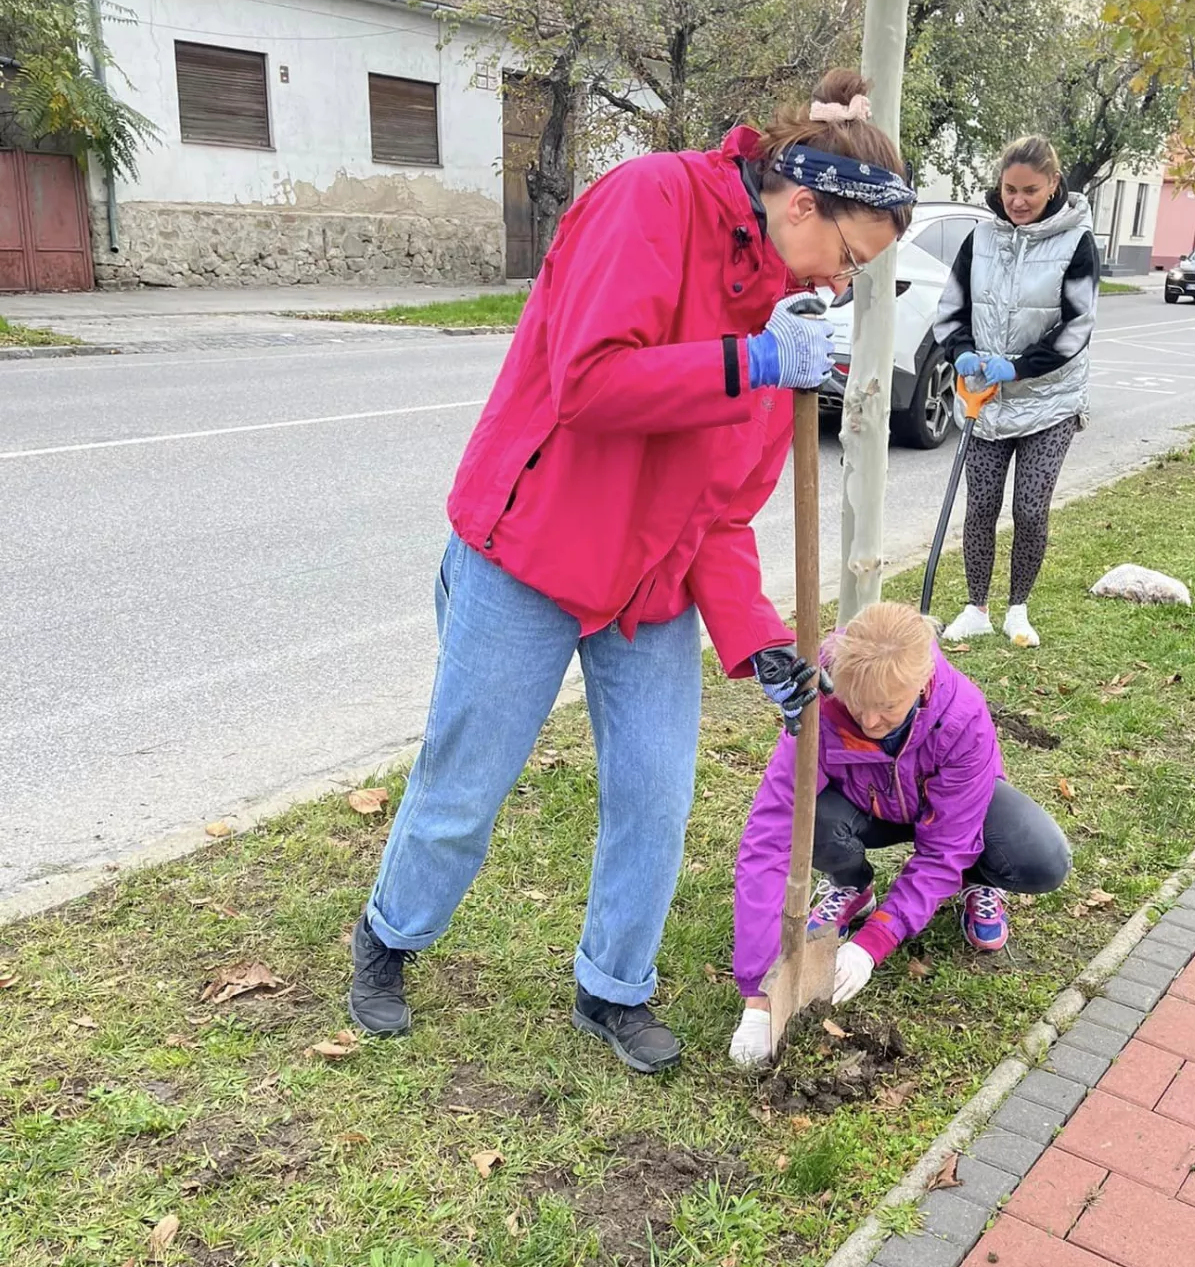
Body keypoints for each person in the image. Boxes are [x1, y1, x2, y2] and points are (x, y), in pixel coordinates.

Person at [346, 70, 916, 1075]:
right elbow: (592, 382)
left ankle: (612, 987)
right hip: (531, 552)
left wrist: (763, 645)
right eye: (848, 259)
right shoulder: (653, 201)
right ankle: (389, 936)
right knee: (466, 781)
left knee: (655, 792)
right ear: (799, 204)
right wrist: (747, 363)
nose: (840, 287)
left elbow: (718, 512)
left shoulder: (781, 314)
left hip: (646, 584)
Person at [729, 601, 1071, 1068]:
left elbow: (942, 850)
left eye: (887, 708)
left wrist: (872, 946)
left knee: (1040, 856)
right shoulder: (819, 702)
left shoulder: (961, 715)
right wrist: (756, 990)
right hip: (867, 807)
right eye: (859, 706)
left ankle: (979, 878)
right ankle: (852, 886)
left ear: (921, 681)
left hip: (947, 814)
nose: (869, 722)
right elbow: (768, 838)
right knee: (810, 819)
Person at [934, 135, 1100, 650]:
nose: (1019, 200)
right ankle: (976, 607)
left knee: (1030, 508)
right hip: (986, 400)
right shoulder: (980, 240)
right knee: (980, 506)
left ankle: (1017, 610)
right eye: (1010, 189)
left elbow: (1077, 328)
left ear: (1052, 184)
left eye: (1030, 189)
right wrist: (961, 352)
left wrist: (1020, 367)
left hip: (1050, 401)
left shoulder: (1077, 243)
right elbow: (951, 310)